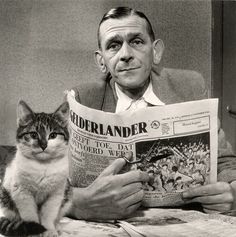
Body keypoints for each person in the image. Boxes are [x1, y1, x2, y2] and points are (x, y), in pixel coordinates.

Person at [68, 6, 236, 219]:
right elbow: (38, 178)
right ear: (102, 61)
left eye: (136, 42)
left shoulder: (190, 86)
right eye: (113, 45)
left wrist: (232, 193)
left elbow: (225, 161)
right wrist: (78, 203)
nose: (126, 55)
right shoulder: (83, 99)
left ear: (155, 51)